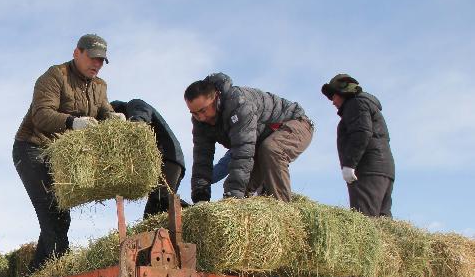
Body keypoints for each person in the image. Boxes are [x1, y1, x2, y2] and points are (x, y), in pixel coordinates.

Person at [13, 33, 125, 271]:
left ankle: (37, 274)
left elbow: (103, 111)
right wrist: (72, 122)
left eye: (102, 61)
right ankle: (60, 272)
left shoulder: (99, 87)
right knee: (52, 212)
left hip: (59, 156)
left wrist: (113, 117)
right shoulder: (55, 76)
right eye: (92, 58)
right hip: (32, 148)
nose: (97, 64)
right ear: (77, 53)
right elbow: (41, 115)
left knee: (60, 216)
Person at [184, 73, 313, 203]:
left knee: (271, 149)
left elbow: (242, 152)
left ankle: (283, 209)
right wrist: (200, 196)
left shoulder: (239, 104)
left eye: (203, 110)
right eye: (194, 113)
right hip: (257, 142)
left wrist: (232, 197)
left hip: (295, 124)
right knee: (243, 191)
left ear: (216, 98)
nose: (200, 117)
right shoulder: (200, 122)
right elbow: (202, 159)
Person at [321, 74, 395, 217]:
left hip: (368, 170)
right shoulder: (366, 105)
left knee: (365, 221)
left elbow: (361, 133)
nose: (332, 101)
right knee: (382, 222)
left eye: (333, 96)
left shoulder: (355, 104)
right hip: (384, 169)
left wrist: (349, 164)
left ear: (343, 93)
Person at [110, 99, 186, 217]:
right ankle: (186, 219)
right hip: (165, 161)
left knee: (159, 201)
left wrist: (135, 124)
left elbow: (142, 114)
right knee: (155, 212)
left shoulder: (134, 104)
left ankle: (193, 213)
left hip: (168, 157)